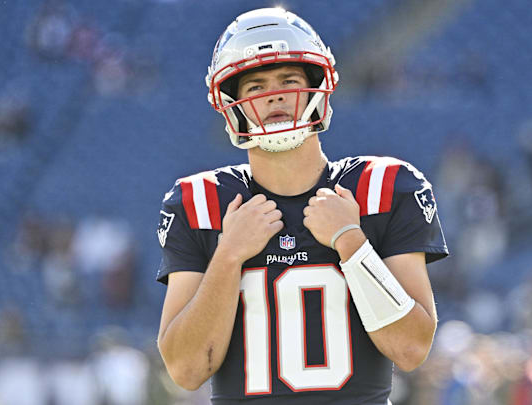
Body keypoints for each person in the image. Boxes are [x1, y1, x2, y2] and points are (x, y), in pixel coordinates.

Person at [155, 8, 448, 404]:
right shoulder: (202, 202)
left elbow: (411, 349)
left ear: (318, 87)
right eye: (255, 86)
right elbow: (186, 371)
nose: (275, 94)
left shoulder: (382, 187)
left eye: (289, 79)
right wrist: (227, 256)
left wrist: (351, 242)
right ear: (231, 103)